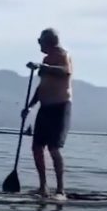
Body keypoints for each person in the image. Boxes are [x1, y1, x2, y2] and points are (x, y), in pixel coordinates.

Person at [23, 28, 73, 198]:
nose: (39, 45)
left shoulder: (63, 55)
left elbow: (65, 71)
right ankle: (43, 187)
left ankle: (60, 190)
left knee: (53, 148)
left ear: (50, 41)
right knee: (37, 147)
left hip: (60, 107)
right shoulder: (46, 59)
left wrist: (43, 66)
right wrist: (29, 107)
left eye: (40, 41)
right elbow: (41, 86)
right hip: (44, 108)